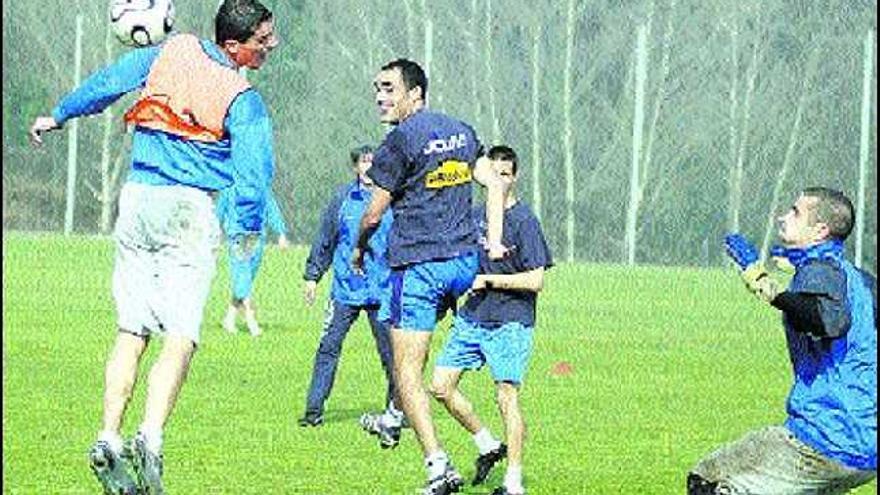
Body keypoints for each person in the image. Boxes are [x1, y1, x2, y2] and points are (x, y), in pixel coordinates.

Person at [28, 1, 280, 493]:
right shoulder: (243, 98)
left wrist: (58, 115)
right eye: (263, 40)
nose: (270, 46)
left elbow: (110, 82)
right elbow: (253, 178)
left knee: (131, 329)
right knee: (181, 334)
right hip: (188, 209)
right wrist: (246, 237)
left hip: (137, 199)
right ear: (234, 46)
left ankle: (108, 436)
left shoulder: (172, 50)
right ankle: (151, 434)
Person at [352, 58, 508, 495]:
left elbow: (373, 213)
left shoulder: (399, 141)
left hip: (420, 267)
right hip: (464, 263)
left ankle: (438, 466)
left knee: (406, 366)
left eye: (389, 89)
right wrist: (493, 241)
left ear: (415, 94)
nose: (381, 97)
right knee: (421, 361)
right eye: (377, 89)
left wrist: (359, 249)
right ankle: (396, 417)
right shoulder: (461, 131)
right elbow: (494, 183)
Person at [688, 187, 877, 494]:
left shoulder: (820, 271)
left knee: (708, 479)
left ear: (820, 230)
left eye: (795, 212)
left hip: (825, 439)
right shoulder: (858, 279)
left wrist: (764, 284)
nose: (783, 216)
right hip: (867, 450)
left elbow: (829, 319)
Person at [430, 146, 552, 495]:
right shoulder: (474, 216)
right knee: (440, 386)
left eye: (504, 174)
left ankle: (514, 483)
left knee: (506, 398)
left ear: (514, 177)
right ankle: (486, 443)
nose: (496, 180)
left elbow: (536, 281)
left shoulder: (524, 222)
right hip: (473, 315)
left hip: (510, 320)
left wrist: (491, 280)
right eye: (491, 173)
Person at [297, 145, 403, 445]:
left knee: (392, 355)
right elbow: (326, 239)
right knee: (328, 347)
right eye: (364, 163)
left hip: (381, 289)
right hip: (345, 289)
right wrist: (313, 276)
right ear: (356, 167)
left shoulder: (392, 200)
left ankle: (396, 411)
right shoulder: (342, 200)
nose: (369, 168)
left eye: (375, 163)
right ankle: (313, 411)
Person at [217, 188, 290, 337]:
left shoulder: (260, 185)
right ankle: (251, 321)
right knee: (242, 277)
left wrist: (281, 233)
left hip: (257, 238)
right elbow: (220, 209)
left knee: (245, 280)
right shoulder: (230, 186)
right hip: (237, 235)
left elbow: (271, 208)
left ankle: (229, 318)